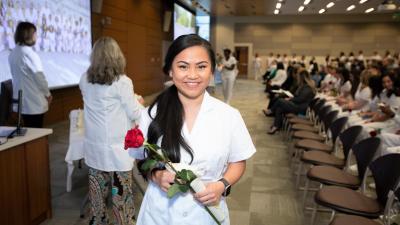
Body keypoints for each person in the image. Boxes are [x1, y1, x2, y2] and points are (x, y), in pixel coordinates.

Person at [131, 34, 256, 225]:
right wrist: (156, 175)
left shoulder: (229, 116)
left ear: (212, 71)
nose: (192, 75)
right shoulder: (151, 114)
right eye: (182, 66)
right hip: (161, 214)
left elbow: (238, 161)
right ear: (170, 71)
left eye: (201, 66)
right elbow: (140, 158)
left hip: (207, 213)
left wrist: (221, 185)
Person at [79, 37, 142, 225]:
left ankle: (98, 221)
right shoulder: (122, 82)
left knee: (97, 196)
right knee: (121, 197)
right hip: (117, 148)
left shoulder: (84, 79)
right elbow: (134, 113)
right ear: (117, 57)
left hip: (95, 146)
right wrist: (138, 103)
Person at [8, 22, 51, 128]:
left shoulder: (13, 53)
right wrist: (48, 94)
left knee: (28, 134)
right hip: (33, 103)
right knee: (36, 135)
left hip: (22, 102)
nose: (36, 36)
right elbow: (39, 77)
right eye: (35, 33)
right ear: (28, 35)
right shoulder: (30, 54)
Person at [267, 69, 316, 134]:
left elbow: (300, 99)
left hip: (300, 108)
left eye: (298, 77)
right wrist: (291, 98)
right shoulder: (303, 86)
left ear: (301, 78)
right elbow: (298, 97)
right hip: (297, 105)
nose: (297, 79)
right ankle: (276, 127)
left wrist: (290, 99)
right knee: (280, 108)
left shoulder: (307, 87)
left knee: (280, 100)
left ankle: (271, 111)